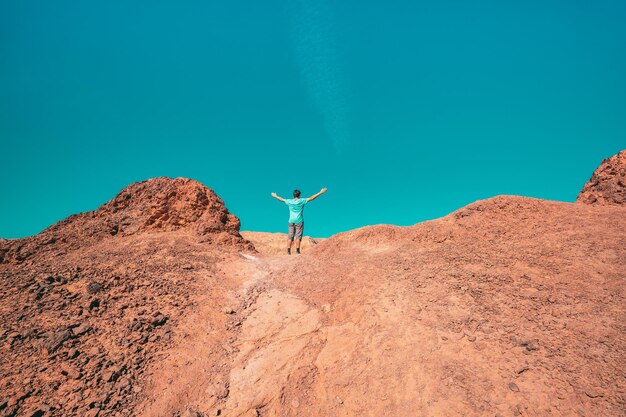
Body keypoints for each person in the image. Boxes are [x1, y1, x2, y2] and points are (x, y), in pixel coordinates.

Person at [271, 188, 327, 255]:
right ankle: (297, 251)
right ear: (299, 195)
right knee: (298, 236)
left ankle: (288, 251)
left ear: (293, 195)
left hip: (291, 221)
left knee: (290, 236)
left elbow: (281, 199)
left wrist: (275, 196)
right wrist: (320, 192)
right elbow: (312, 198)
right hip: (299, 221)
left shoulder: (290, 201)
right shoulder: (301, 201)